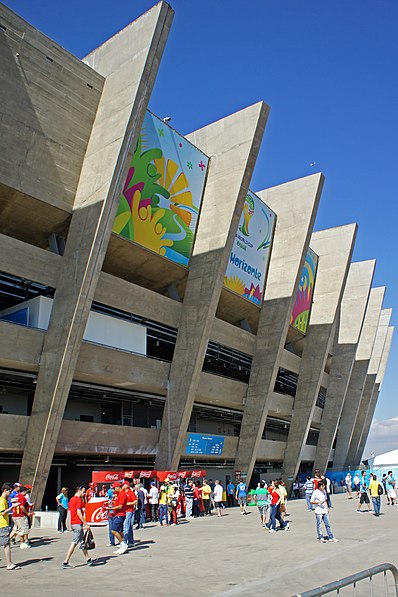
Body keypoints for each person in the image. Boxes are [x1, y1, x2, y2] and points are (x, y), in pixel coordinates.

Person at [63, 486, 94, 568]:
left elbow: (70, 512)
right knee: (74, 542)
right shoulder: (78, 500)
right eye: (83, 492)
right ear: (79, 491)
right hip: (77, 524)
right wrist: (85, 523)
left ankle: (88, 559)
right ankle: (66, 562)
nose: (84, 494)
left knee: (82, 542)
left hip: (73, 523)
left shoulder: (72, 500)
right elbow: (79, 513)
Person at [0, 482, 20, 570]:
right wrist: (13, 507)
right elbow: (3, 512)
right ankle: (9, 563)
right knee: (6, 544)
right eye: (10, 491)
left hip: (3, 524)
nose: (10, 493)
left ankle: (9, 563)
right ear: (5, 490)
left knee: (5, 543)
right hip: (3, 524)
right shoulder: (2, 500)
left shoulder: (4, 500)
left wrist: (11, 502)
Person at [104, 482, 128, 555]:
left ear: (118, 487)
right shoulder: (118, 494)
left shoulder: (122, 494)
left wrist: (109, 508)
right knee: (120, 531)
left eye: (114, 488)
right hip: (117, 514)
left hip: (120, 514)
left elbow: (120, 506)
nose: (113, 489)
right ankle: (123, 544)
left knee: (114, 530)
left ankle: (123, 544)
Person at [122, 480, 137, 547]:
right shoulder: (122, 492)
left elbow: (135, 501)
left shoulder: (131, 493)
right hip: (123, 510)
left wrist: (129, 503)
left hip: (129, 510)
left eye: (123, 485)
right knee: (129, 526)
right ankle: (131, 541)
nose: (122, 486)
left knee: (126, 525)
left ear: (127, 486)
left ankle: (124, 541)